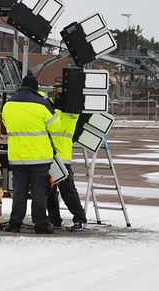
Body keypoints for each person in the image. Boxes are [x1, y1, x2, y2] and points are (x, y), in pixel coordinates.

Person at [1, 73, 62, 234]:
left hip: (17, 157)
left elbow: (6, 125)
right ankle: (41, 224)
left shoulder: (8, 104)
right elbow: (56, 127)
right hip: (39, 158)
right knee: (39, 193)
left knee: (19, 192)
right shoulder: (42, 104)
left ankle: (15, 224)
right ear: (35, 89)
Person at [46, 93, 88, 232]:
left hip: (62, 157)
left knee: (67, 190)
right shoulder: (50, 106)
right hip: (50, 155)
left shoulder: (71, 109)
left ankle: (80, 218)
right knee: (50, 191)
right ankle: (54, 219)